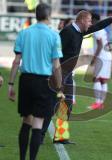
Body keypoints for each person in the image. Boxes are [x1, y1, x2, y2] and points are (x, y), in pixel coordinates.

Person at [41, 8, 112, 144]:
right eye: (88, 21)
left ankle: (60, 136)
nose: (90, 24)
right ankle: (39, 135)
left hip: (68, 74)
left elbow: (98, 26)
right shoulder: (68, 32)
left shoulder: (80, 31)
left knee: (67, 104)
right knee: (54, 105)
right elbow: (54, 53)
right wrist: (52, 73)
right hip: (59, 73)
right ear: (81, 20)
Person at [8, 3, 64, 160]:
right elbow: (56, 65)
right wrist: (60, 87)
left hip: (26, 80)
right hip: (43, 82)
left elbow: (16, 61)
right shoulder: (54, 36)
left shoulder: (24, 33)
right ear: (48, 16)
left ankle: (21, 158)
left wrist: (10, 85)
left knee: (26, 120)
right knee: (38, 122)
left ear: (36, 15)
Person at [89, 13, 112, 110]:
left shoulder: (97, 29)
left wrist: (94, 58)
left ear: (94, 19)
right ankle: (101, 103)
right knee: (104, 80)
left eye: (90, 19)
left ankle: (98, 102)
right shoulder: (103, 29)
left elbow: (100, 45)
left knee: (97, 79)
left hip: (101, 57)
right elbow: (108, 44)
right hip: (107, 56)